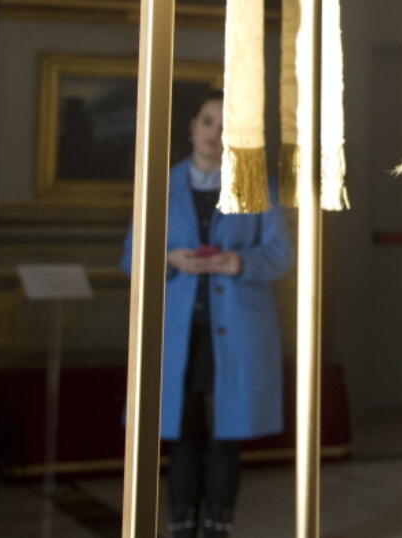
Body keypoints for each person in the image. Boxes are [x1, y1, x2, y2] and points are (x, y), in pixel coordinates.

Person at [121, 92, 291, 537]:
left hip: (235, 331)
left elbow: (280, 256)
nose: (215, 133)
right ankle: (180, 524)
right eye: (208, 122)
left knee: (226, 435)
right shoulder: (159, 185)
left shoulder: (258, 188)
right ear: (192, 127)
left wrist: (238, 263)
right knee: (181, 434)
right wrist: (169, 258)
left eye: (225, 124)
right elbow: (130, 258)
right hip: (179, 332)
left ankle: (217, 526)